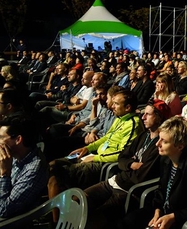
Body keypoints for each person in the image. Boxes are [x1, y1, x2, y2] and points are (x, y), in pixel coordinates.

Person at [47, 90, 144, 222]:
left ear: (127, 107)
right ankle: (61, 214)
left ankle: (57, 221)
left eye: (116, 104)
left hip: (103, 164)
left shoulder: (133, 124)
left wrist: (95, 158)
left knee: (56, 178)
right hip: (95, 155)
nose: (112, 106)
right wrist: (87, 148)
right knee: (52, 165)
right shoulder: (120, 119)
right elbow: (106, 138)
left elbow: (122, 154)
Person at [84, 100, 172, 229]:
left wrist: (127, 164)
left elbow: (141, 175)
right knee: (79, 200)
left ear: (159, 118)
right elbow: (122, 157)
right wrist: (131, 164)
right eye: (144, 114)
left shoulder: (160, 146)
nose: (143, 117)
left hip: (128, 190)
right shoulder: (143, 135)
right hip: (114, 181)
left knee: (94, 219)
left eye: (148, 114)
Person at [117, 116, 187, 229]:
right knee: (126, 222)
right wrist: (157, 210)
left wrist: (174, 217)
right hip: (163, 212)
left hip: (181, 218)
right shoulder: (166, 159)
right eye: (159, 139)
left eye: (164, 141)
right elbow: (161, 190)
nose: (157, 144)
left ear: (180, 146)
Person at [0, 115, 48, 218]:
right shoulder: (16, 156)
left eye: (1, 138)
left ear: (18, 139)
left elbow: (3, 210)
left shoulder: (33, 170)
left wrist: (4, 174)